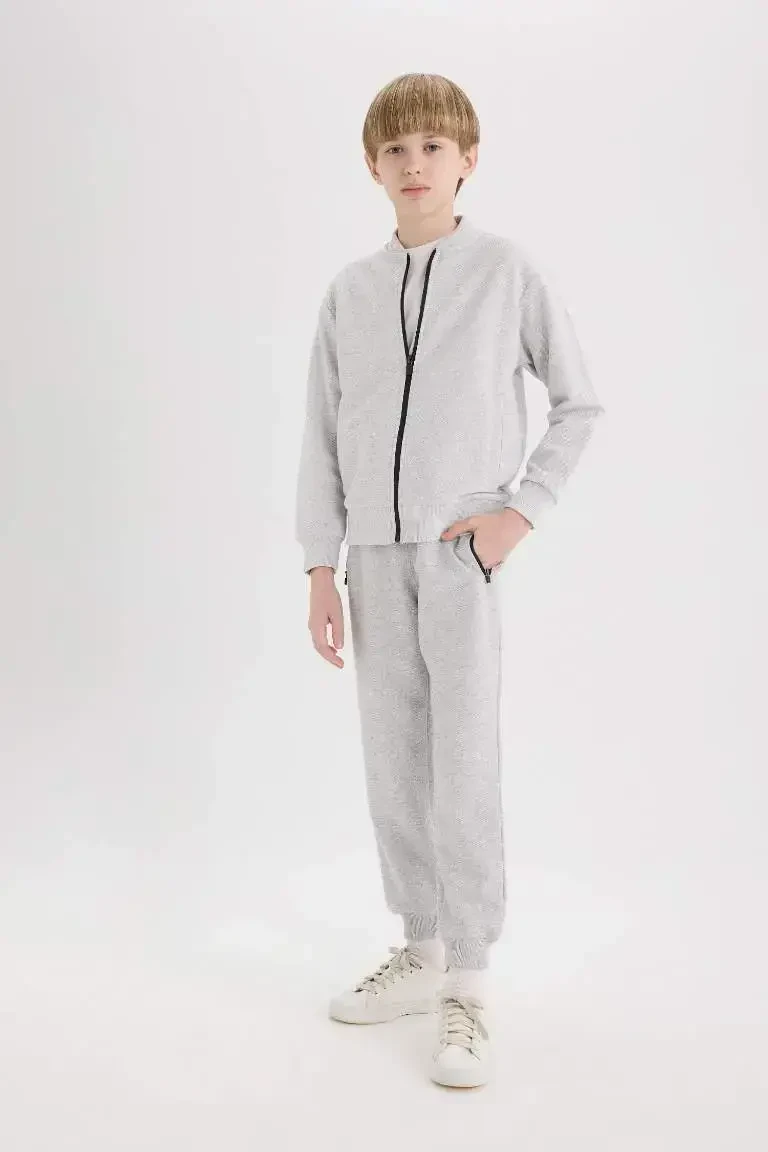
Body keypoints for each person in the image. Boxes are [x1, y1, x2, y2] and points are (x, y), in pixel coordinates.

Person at [294, 72, 605, 1089]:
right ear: (373, 167)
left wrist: (519, 512)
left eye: (433, 146)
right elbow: (321, 438)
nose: (414, 163)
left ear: (467, 159)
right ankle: (420, 947)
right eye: (396, 149)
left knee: (462, 762)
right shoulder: (349, 292)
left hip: (460, 555)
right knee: (393, 762)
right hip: (372, 562)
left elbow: (579, 403)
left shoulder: (505, 270)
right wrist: (320, 564)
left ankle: (469, 977)